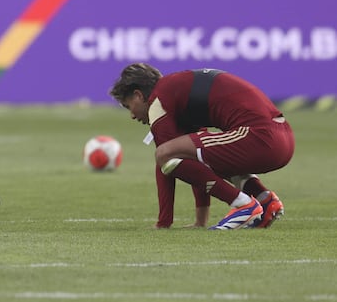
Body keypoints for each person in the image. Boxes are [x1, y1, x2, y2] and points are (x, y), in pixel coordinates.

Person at [109, 63, 294, 230]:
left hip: (259, 136)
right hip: (283, 138)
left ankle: (243, 205)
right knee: (195, 153)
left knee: (165, 153)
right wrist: (200, 221)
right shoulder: (178, 92)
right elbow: (196, 160)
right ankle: (264, 199)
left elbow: (163, 158)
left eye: (128, 106)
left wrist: (163, 223)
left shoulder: (159, 99)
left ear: (138, 95)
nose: (132, 115)